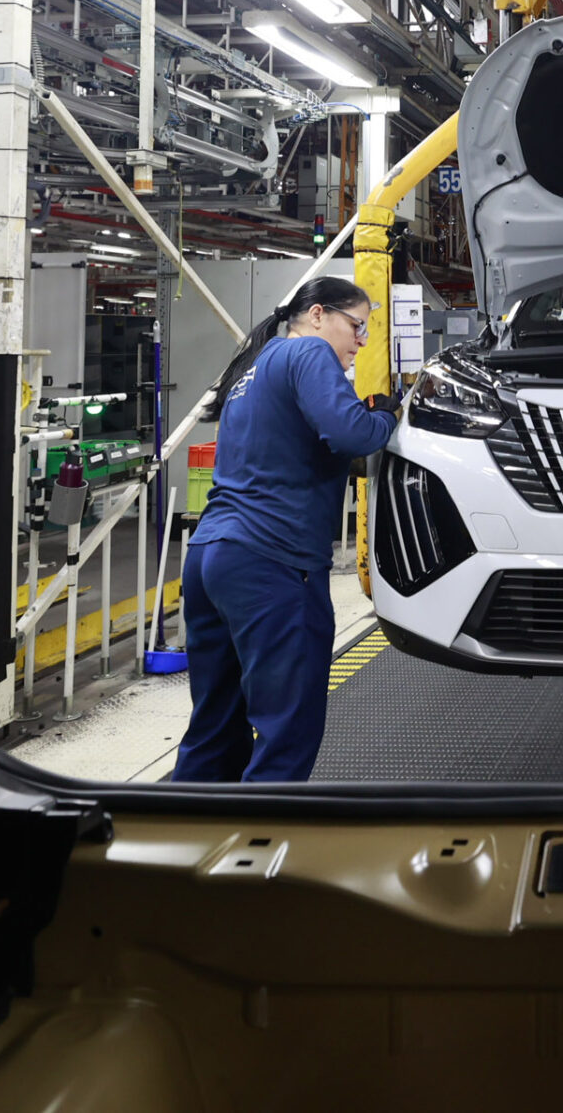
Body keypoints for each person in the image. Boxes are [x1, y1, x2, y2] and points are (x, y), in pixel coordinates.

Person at [170, 276, 394, 783]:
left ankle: (185, 840)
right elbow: (352, 433)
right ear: (317, 316)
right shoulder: (308, 355)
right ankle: (261, 848)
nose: (360, 341)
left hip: (211, 557)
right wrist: (387, 418)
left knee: (215, 727)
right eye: (356, 326)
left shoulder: (255, 366)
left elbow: (299, 450)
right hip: (271, 560)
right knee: (285, 730)